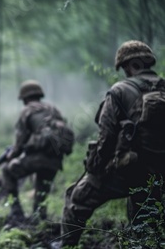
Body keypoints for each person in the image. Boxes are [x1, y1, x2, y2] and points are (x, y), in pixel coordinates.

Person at [58, 40, 165, 247]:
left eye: (124, 67)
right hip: (158, 173)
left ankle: (67, 245)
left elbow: (106, 137)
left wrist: (96, 168)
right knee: (145, 220)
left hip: (127, 170)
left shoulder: (120, 90)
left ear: (128, 65)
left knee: (76, 199)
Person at [2, 80, 69, 223]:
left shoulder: (26, 111)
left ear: (25, 98)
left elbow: (20, 141)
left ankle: (16, 212)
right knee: (42, 189)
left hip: (37, 158)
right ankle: (39, 218)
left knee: (7, 171)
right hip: (55, 160)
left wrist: (11, 156)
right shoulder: (53, 109)